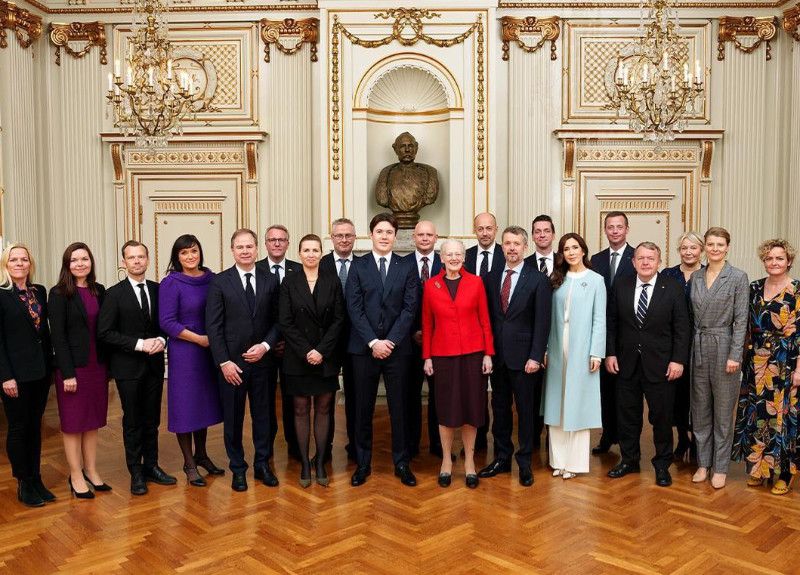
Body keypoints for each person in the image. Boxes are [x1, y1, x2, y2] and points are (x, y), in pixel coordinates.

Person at [606, 242, 690, 487]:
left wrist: (678, 360)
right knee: (627, 416)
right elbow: (612, 323)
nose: (645, 262)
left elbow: (682, 328)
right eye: (640, 258)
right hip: (625, 363)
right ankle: (629, 460)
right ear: (633, 262)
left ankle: (662, 465)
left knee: (662, 418)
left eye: (650, 259)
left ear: (658, 262)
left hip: (662, 365)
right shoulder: (620, 285)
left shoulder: (673, 287)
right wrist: (610, 354)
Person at [346, 212, 420, 487]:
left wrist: (390, 341)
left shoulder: (407, 266)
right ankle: (363, 463)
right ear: (371, 235)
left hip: (397, 349)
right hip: (364, 349)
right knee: (362, 408)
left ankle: (401, 462)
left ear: (395, 236)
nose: (385, 236)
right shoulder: (359, 265)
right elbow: (353, 307)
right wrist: (373, 342)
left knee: (399, 409)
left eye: (389, 232)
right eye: (380, 232)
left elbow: (409, 308)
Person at [98, 241, 176, 496]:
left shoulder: (158, 289)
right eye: (131, 258)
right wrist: (140, 344)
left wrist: (163, 340)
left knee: (152, 420)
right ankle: (136, 472)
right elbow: (105, 333)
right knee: (132, 421)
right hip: (127, 368)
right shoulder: (113, 294)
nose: (137, 261)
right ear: (123, 262)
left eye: (141, 257)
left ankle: (152, 466)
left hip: (154, 367)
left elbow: (166, 323)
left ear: (148, 259)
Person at [206, 229, 280, 492]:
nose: (245, 251)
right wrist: (224, 362)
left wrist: (265, 346)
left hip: (263, 362)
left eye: (250, 246)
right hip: (232, 366)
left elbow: (278, 321)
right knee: (234, 419)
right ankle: (238, 468)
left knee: (264, 418)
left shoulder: (271, 280)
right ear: (232, 250)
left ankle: (262, 465)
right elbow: (213, 327)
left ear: (257, 249)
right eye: (240, 247)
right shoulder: (220, 282)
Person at [479, 226, 551, 487]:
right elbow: (486, 318)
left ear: (525, 247)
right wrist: (486, 352)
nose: (511, 248)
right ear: (502, 246)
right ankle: (501, 457)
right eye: (507, 243)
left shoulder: (538, 279)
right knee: (499, 410)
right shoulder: (490, 277)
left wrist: (535, 356)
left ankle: (524, 462)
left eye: (516, 244)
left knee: (526, 412)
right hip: (497, 357)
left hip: (525, 359)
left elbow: (542, 323)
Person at [422, 239, 493, 489]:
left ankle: (470, 462)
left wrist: (488, 354)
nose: (453, 258)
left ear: (464, 257)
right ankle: (446, 462)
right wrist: (427, 357)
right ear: (441, 258)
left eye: (458, 254)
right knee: (446, 410)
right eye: (449, 254)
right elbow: (427, 324)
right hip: (442, 357)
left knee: (471, 410)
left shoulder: (476, 282)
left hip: (473, 355)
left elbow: (485, 320)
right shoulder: (431, 285)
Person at [732, 239, 800, 495]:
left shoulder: (797, 290)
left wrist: (798, 370)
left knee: (782, 418)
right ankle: (760, 468)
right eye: (770, 258)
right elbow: (745, 325)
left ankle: (784, 472)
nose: (774, 263)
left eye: (779, 258)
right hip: (757, 362)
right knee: (758, 415)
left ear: (789, 261)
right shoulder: (754, 287)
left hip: (786, 361)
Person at [278, 234, 346, 487]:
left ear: (321, 253)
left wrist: (322, 351)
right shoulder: (289, 282)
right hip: (298, 357)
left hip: (326, 357)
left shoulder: (332, 281)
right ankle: (305, 463)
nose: (310, 254)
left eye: (315, 250)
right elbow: (285, 321)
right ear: (299, 253)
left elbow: (339, 319)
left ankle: (319, 461)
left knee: (324, 409)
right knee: (300, 409)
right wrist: (307, 350)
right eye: (306, 250)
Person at [158, 235, 224, 487]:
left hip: (209, 350)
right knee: (186, 407)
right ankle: (188, 463)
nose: (190, 257)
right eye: (184, 253)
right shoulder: (171, 283)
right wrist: (198, 339)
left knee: (203, 405)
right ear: (177, 257)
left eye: (193, 251)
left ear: (200, 252)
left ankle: (202, 454)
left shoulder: (212, 279)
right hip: (185, 352)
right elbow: (167, 322)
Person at [689, 227, 749, 489]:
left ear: (727, 247)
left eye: (719, 244)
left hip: (725, 348)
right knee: (700, 409)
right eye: (710, 244)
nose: (714, 248)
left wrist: (736, 354)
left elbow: (741, 319)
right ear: (704, 247)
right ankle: (703, 463)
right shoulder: (696, 277)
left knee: (723, 412)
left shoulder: (737, 277)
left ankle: (721, 467)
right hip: (698, 346)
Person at [49, 242, 109, 499]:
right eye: (74, 260)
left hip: (98, 366)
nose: (80, 264)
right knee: (73, 423)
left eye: (84, 258)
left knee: (92, 421)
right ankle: (75, 474)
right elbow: (58, 337)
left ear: (91, 262)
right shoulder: (59, 293)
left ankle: (91, 470)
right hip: (73, 368)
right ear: (67, 265)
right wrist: (68, 372)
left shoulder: (100, 291)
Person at [543, 233, 606, 479]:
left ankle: (575, 463)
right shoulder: (557, 279)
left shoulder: (595, 280)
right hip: (557, 346)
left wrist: (596, 353)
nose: (570, 252)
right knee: (557, 403)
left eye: (575, 247)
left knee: (577, 403)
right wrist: (546, 349)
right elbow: (547, 318)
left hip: (583, 348)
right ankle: (558, 461)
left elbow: (599, 319)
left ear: (583, 250)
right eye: (566, 248)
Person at [0, 244, 54, 507]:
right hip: (14, 375)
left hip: (41, 372)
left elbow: (43, 334)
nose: (19, 263)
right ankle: (23, 482)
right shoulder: (0, 295)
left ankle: (36, 478)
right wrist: (5, 376)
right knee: (19, 428)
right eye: (14, 260)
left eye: (24, 259)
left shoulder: (39, 291)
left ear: (30, 264)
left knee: (35, 426)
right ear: (5, 264)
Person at [590, 211, 636, 455]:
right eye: (610, 227)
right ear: (605, 230)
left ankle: (628, 442)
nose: (615, 231)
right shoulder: (595, 260)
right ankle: (607, 435)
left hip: (629, 334)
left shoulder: (636, 257)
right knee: (605, 391)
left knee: (626, 392)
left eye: (619, 226)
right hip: (602, 332)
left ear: (627, 229)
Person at [257, 224, 301, 461]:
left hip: (292, 347)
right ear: (265, 243)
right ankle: (267, 444)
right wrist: (269, 342)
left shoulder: (299, 269)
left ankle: (294, 444)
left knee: (292, 396)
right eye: (272, 239)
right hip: (263, 347)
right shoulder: (254, 269)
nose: (276, 243)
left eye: (281, 240)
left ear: (287, 243)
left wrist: (287, 340)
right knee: (264, 398)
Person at [661, 232, 704, 461]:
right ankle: (682, 439)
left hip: (699, 342)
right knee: (676, 395)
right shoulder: (668, 275)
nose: (688, 252)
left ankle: (698, 442)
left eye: (693, 248)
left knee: (697, 395)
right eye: (684, 248)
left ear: (701, 250)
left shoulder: (708, 274)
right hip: (673, 345)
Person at [464, 212, 503, 450]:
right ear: (474, 230)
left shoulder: (506, 254)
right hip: (469, 334)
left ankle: (499, 443)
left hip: (498, 332)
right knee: (475, 389)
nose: (485, 233)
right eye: (481, 228)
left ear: (496, 229)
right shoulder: (465, 256)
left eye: (489, 228)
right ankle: (477, 439)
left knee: (498, 393)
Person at [320, 217, 358, 460]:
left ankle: (355, 445)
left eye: (348, 235)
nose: (344, 240)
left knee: (356, 394)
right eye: (339, 236)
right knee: (326, 397)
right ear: (332, 238)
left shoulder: (364, 264)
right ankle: (325, 448)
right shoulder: (320, 264)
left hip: (357, 340)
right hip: (328, 342)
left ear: (355, 238)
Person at [404, 220, 443, 458]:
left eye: (429, 234)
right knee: (410, 396)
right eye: (421, 235)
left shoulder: (446, 263)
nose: (425, 238)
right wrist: (412, 331)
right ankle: (411, 444)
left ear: (436, 237)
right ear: (413, 238)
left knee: (438, 396)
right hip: (409, 341)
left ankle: (438, 444)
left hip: (439, 342)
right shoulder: (402, 264)